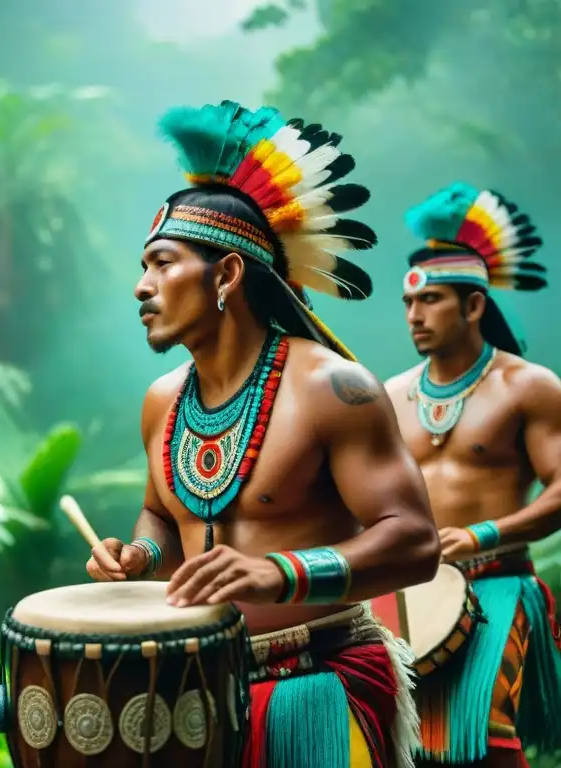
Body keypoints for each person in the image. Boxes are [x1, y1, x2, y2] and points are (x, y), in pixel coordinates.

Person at [85, 100, 441, 767]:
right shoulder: (162, 401)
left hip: (318, 687)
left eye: (162, 264)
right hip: (195, 685)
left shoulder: (333, 388)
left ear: (225, 274)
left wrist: (280, 573)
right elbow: (163, 513)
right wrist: (139, 554)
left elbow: (417, 544)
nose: (141, 286)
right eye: (143, 267)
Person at [383, 182, 561, 768]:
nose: (415, 315)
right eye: (410, 303)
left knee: (483, 739)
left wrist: (484, 534)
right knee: (404, 747)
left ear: (475, 305)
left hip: (498, 584)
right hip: (406, 596)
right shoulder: (390, 397)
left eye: (431, 300)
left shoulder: (528, 387)